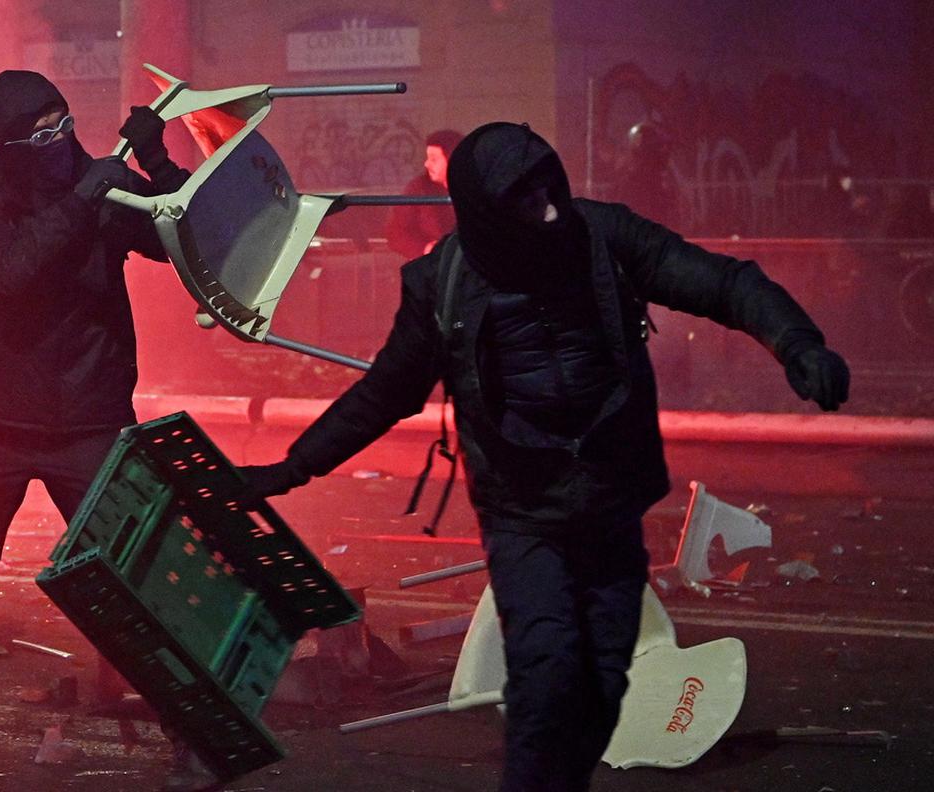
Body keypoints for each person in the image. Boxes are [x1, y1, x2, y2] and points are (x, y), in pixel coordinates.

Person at [239, 122, 849, 792]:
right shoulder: (441, 286)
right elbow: (380, 396)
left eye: (548, 186)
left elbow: (723, 284)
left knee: (597, 685)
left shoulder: (604, 239)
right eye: (525, 197)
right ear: (487, 211)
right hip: (523, 514)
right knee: (546, 680)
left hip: (611, 503)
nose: (549, 207)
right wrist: (289, 470)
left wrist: (797, 343)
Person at [0, 71, 193, 769]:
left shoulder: (100, 180)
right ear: (6, 146)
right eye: (41, 134)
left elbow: (181, 242)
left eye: (64, 124)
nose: (61, 144)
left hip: (90, 419)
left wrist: (159, 165)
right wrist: (87, 198)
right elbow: (9, 274)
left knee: (133, 578)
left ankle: (189, 731)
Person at [384, 128, 462, 258]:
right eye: (427, 158)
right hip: (431, 268)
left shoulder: (477, 187)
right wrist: (426, 248)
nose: (426, 164)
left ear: (452, 159)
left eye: (434, 159)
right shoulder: (419, 189)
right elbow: (395, 232)